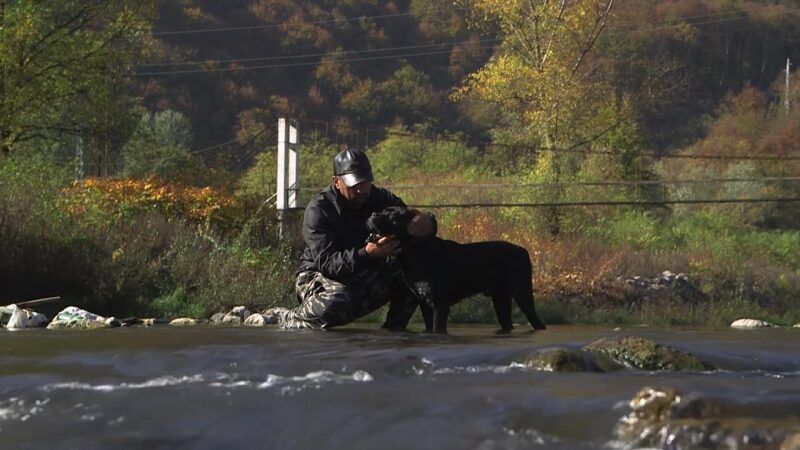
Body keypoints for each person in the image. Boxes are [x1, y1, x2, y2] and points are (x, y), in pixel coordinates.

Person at [277, 148, 437, 330]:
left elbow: (411, 219)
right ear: (336, 182)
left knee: (417, 269)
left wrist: (423, 224)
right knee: (338, 300)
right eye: (354, 184)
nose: (361, 189)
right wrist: (367, 254)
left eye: (365, 182)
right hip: (318, 276)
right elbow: (328, 264)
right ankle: (290, 317)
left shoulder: (379, 197)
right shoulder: (319, 210)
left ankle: (394, 329)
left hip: (366, 269)